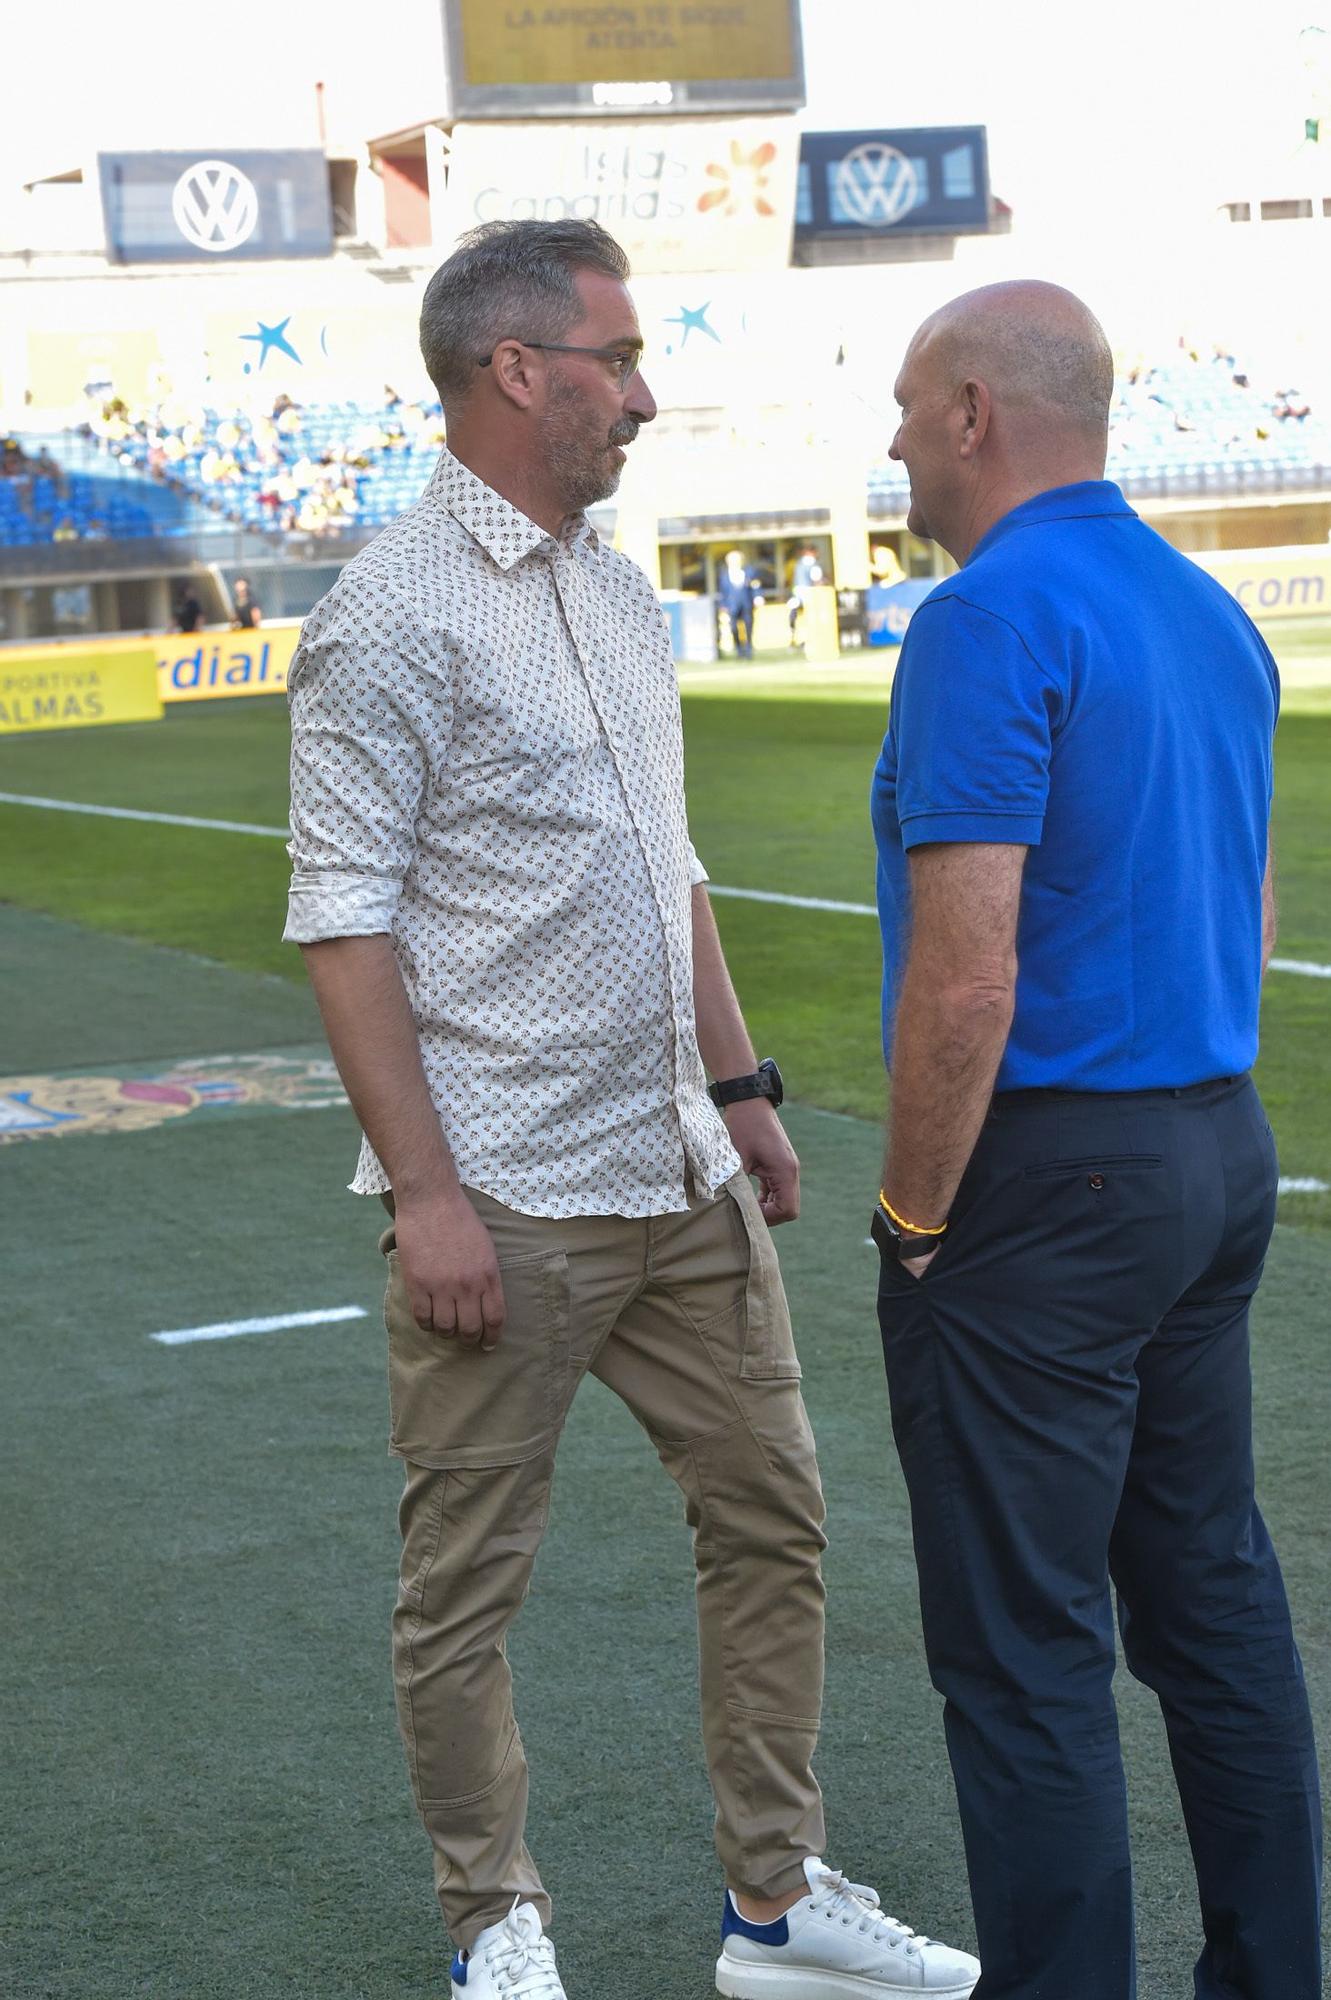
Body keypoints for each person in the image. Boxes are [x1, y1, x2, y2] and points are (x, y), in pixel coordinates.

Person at [284, 217, 979, 2000]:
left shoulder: (613, 584)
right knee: (466, 1590)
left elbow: (664, 866)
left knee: (773, 1522)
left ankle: (775, 1900)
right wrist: (425, 1194)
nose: (644, 396)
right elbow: (345, 925)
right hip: (502, 1195)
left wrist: (737, 1082)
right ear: (520, 371)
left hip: (677, 1172)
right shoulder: (385, 616)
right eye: (618, 359)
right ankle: (493, 1928)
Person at [871, 280, 1323, 2000]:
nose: (896, 441)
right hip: (1213, 1149)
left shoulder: (984, 619)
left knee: (1024, 1651)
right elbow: (1251, 903)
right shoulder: (1213, 615)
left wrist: (916, 1217)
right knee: (1211, 1605)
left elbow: (966, 978)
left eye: (912, 407)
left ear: (978, 411)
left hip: (1053, 1184)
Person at [717, 547, 758, 658]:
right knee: (734, 628)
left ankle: (749, 649)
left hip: (746, 604)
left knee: (748, 626)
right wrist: (723, 605)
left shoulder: (749, 572)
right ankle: (739, 649)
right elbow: (722, 592)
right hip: (732, 606)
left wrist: (757, 597)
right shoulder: (724, 576)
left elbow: (755, 586)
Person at [787, 544, 824, 648]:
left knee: (794, 617)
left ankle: (794, 639)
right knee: (810, 618)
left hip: (797, 594)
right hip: (808, 595)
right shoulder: (813, 564)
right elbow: (817, 581)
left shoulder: (798, 564)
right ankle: (808, 639)